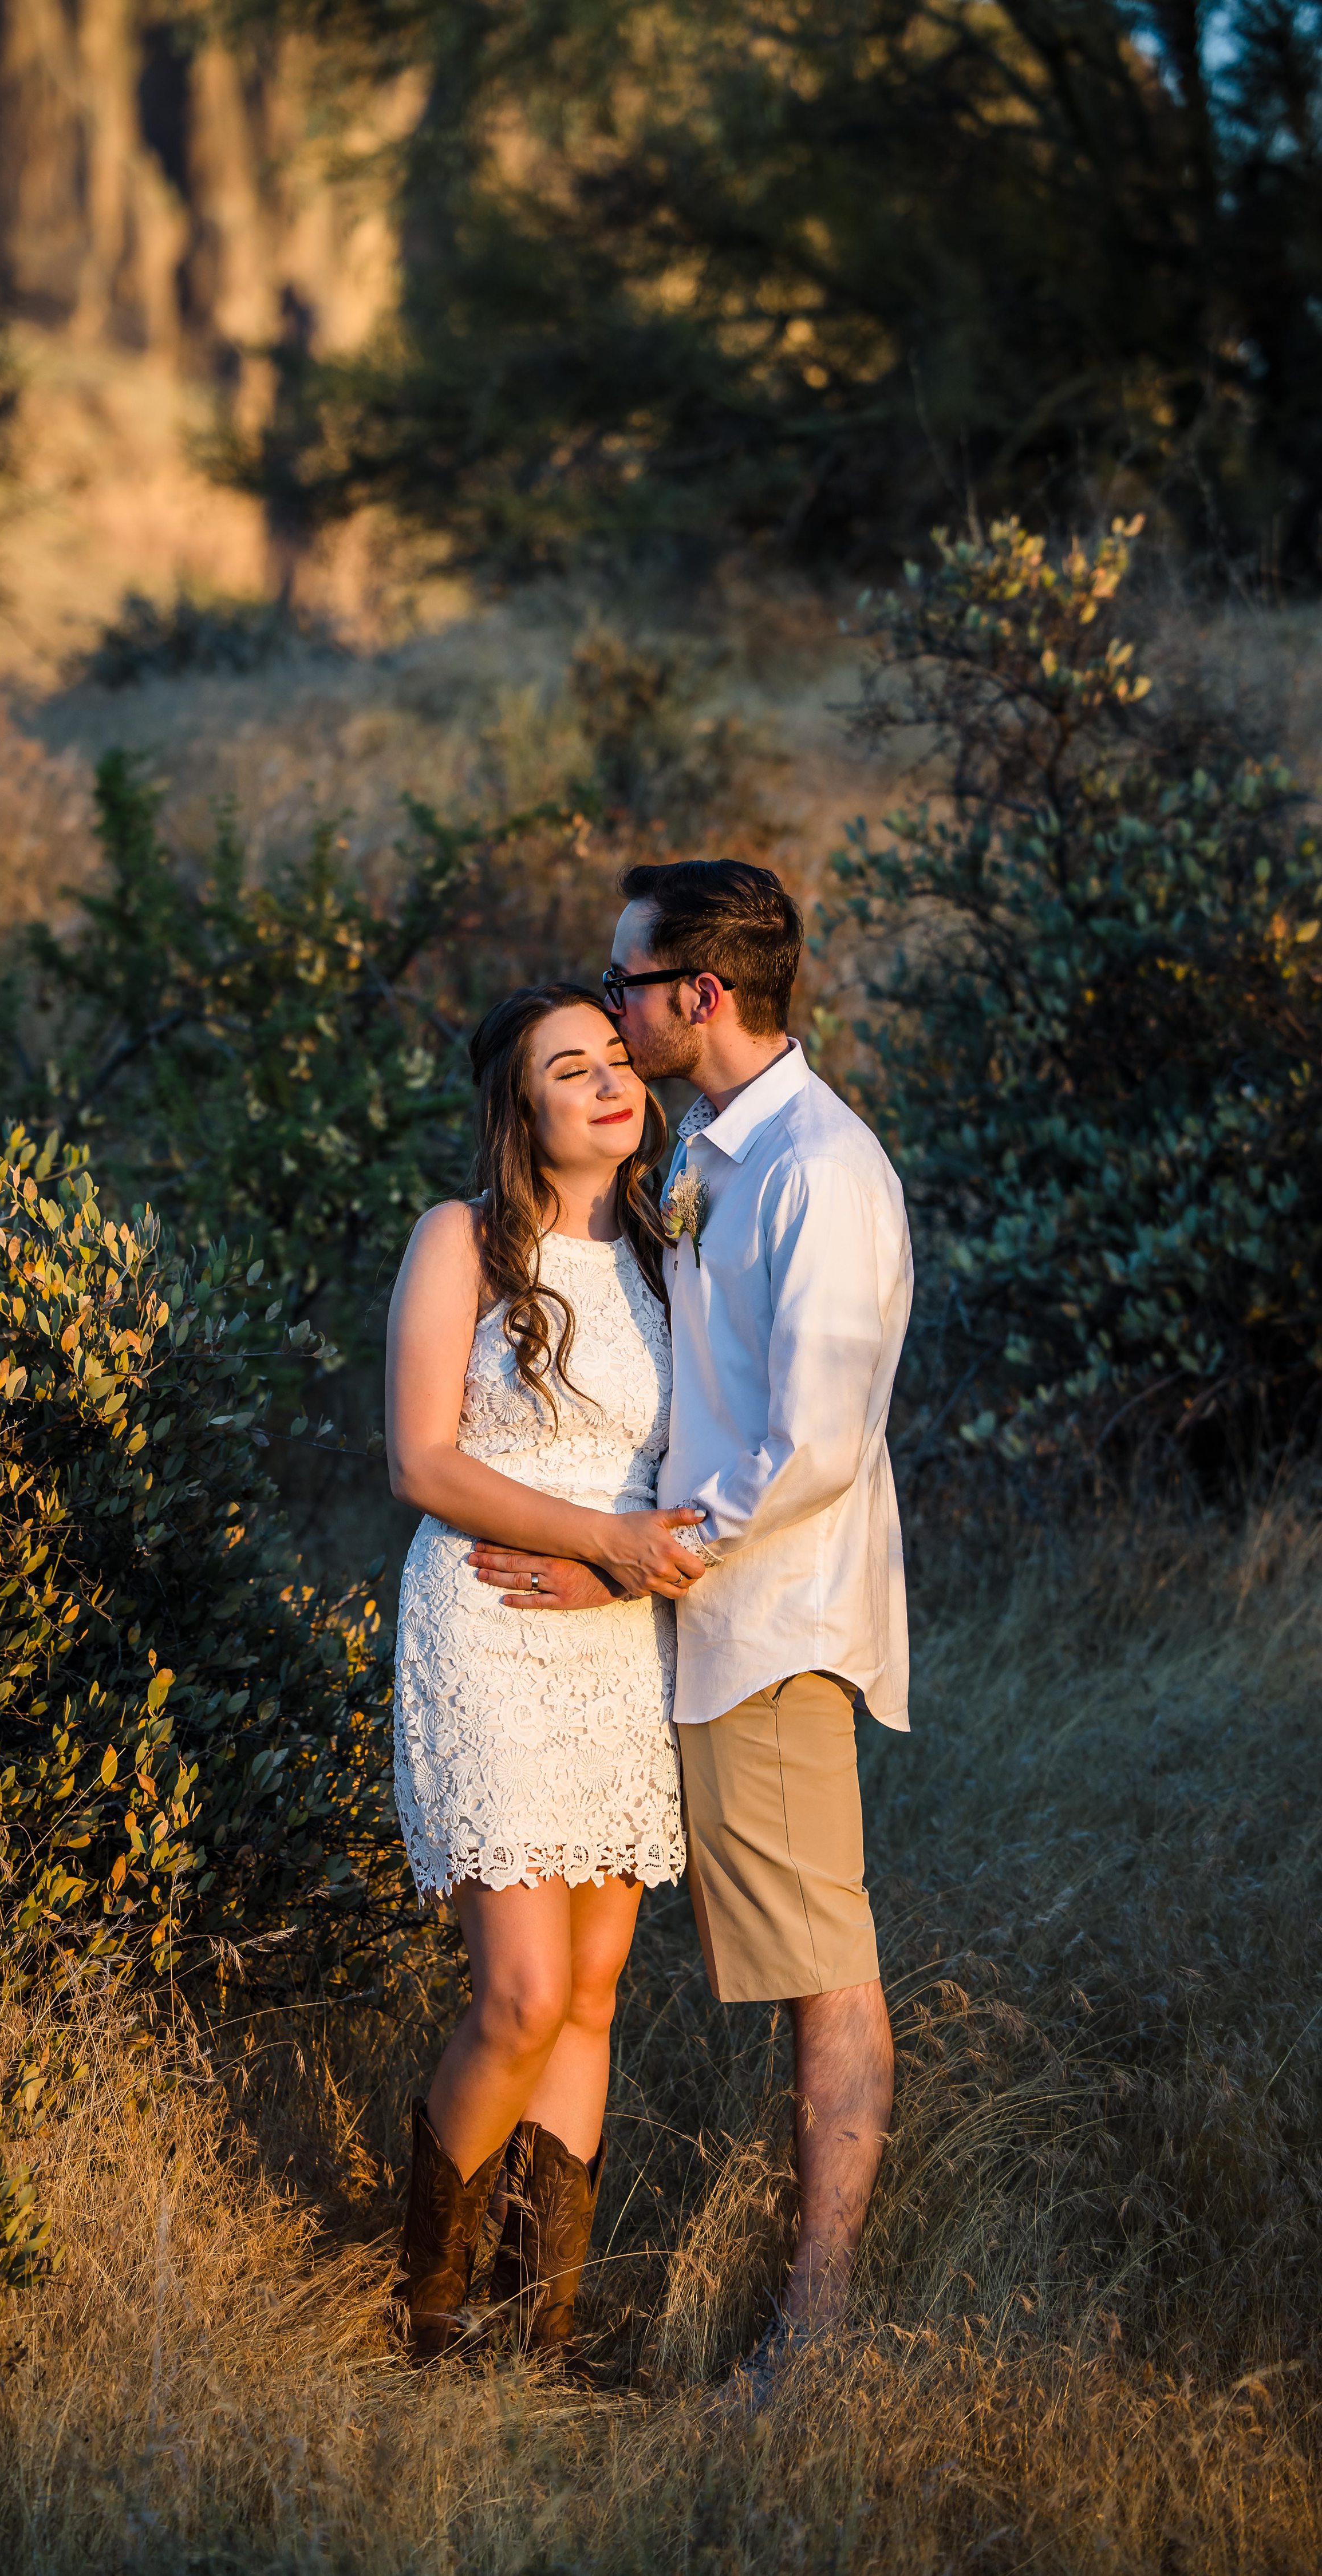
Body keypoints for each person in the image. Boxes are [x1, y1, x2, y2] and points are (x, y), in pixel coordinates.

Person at [467, 860, 913, 2389]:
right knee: (767, 1963)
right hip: (701, 1623)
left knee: (823, 1970)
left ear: (697, 997)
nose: (612, 1006)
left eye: (628, 985)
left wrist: (641, 1561)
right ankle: (532, 2325)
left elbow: (818, 1438)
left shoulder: (819, 1167)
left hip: (767, 1620)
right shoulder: (718, 1147)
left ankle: (812, 2334)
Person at [384, 983, 707, 2364]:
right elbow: (424, 1462)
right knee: (516, 1994)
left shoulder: (668, 1250)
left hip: (620, 1634)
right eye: (569, 1070)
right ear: (523, 1110)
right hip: (491, 1620)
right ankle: (430, 2320)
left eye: (619, 1060)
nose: (607, 1083)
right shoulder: (461, 1240)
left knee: (589, 1995)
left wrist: (626, 1568)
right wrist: (601, 1541)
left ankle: (542, 2332)